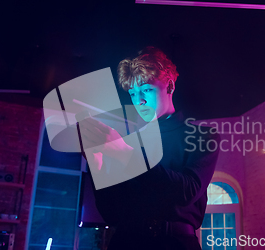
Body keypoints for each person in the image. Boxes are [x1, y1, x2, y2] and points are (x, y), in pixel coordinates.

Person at [79, 46, 220, 250]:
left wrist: (125, 154)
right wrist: (96, 165)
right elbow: (111, 213)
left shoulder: (202, 136)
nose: (139, 100)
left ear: (170, 86)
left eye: (146, 89)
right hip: (125, 243)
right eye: (133, 93)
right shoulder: (125, 142)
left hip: (175, 244)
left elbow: (187, 192)